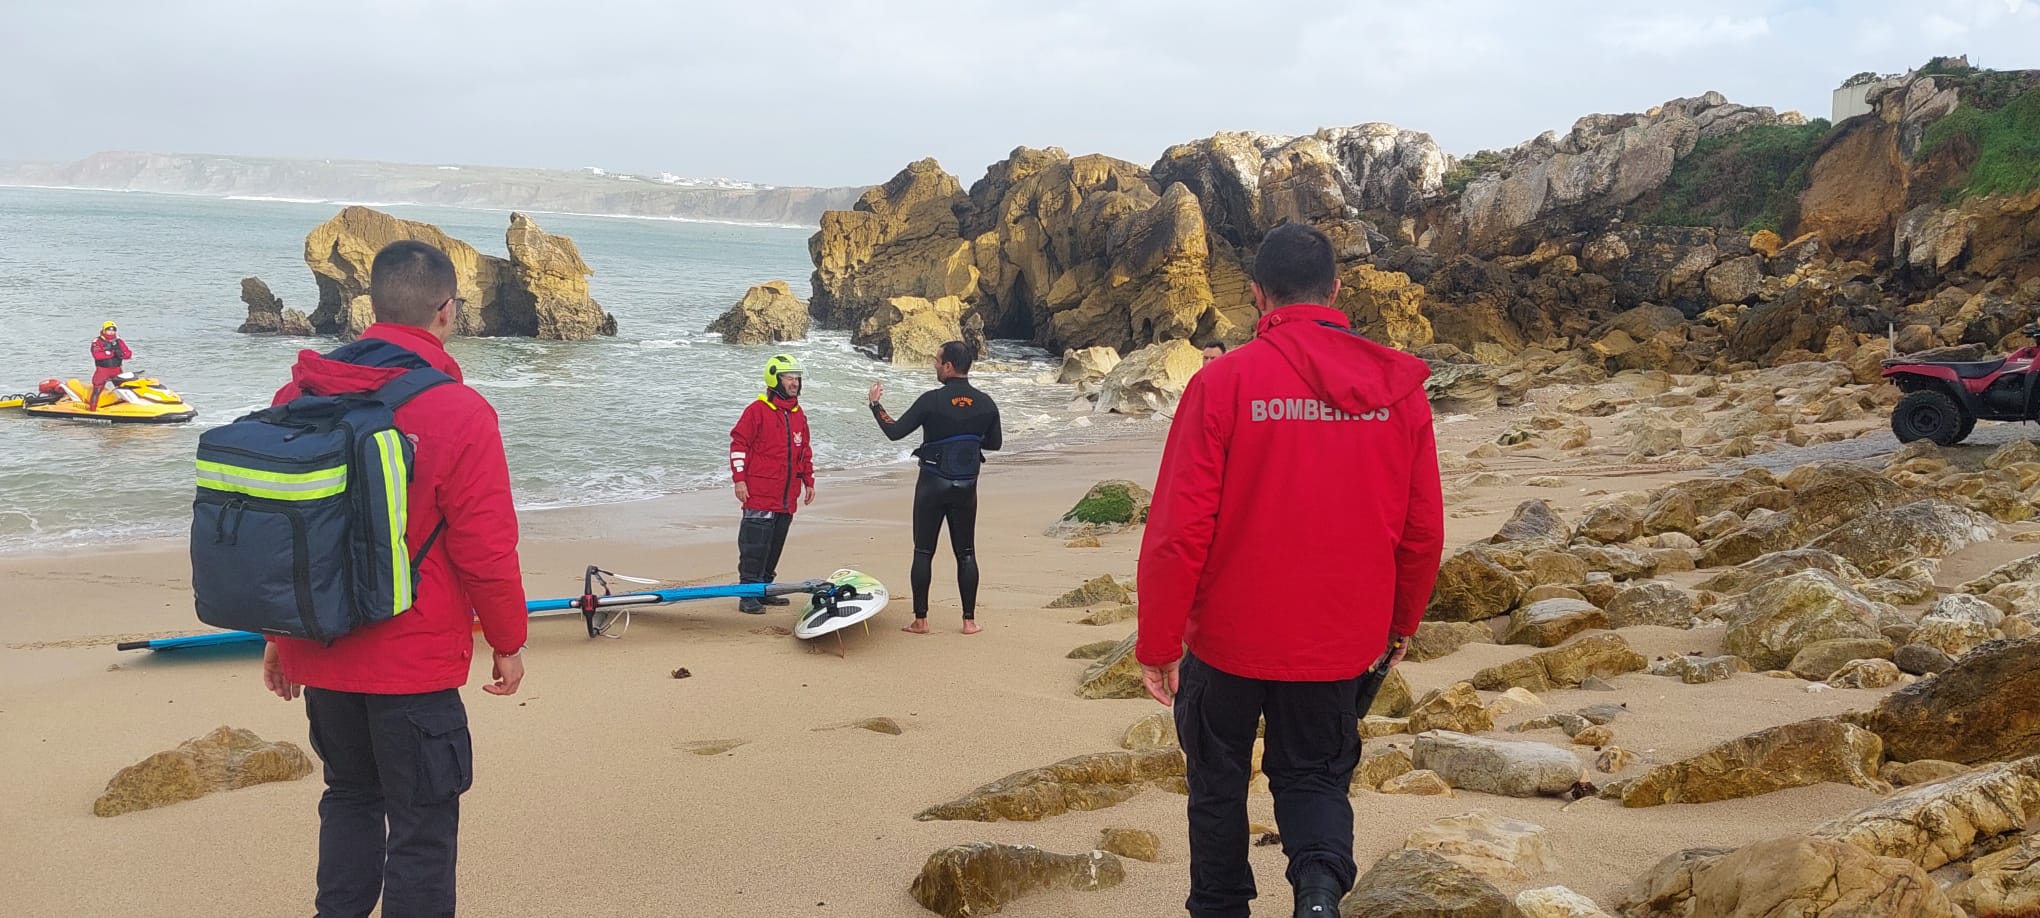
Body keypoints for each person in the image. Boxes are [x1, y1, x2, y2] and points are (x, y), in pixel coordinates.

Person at [1135, 222, 1445, 918]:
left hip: (1228, 638)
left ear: (1256, 295)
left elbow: (1179, 531)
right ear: (1336, 289)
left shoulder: (1224, 384)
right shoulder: (1397, 392)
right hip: (1338, 638)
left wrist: (1157, 642)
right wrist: (1401, 624)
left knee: (1216, 783)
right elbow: (1422, 531)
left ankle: (1220, 906)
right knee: (1314, 779)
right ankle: (1317, 897)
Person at [260, 240, 529, 918]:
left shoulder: (299, 393)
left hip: (320, 644)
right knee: (422, 827)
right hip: (413, 663)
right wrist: (508, 638)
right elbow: (486, 547)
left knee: (349, 798)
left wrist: (277, 633)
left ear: (372, 306)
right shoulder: (461, 413)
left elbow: (278, 527)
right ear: (446, 312)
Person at [867, 341, 1002, 634]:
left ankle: (921, 620)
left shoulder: (931, 401)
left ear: (949, 366)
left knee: (923, 551)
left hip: (932, 483)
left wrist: (875, 405)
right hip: (966, 486)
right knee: (966, 553)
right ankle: (969, 621)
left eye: (937, 361)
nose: (934, 365)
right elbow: (995, 443)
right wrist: (967, 440)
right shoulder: (987, 403)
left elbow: (895, 431)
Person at [729, 354, 816, 613]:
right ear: (775, 379)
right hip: (759, 493)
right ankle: (748, 595)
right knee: (754, 546)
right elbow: (738, 444)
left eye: (797, 377)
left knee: (775, 544)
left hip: (786, 496)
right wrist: (739, 480)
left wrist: (809, 481)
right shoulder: (756, 411)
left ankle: (765, 589)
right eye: (789, 377)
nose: (795, 382)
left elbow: (804, 452)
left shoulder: (798, 414)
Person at [85, 321, 132, 411]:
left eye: (113, 330)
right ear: (104, 330)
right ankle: (92, 410)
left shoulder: (119, 341)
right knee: (97, 389)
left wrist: (121, 354)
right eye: (109, 330)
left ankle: (129, 407)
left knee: (124, 388)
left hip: (117, 369)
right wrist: (111, 353)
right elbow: (97, 355)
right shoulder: (97, 341)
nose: (111, 332)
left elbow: (128, 354)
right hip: (103, 370)